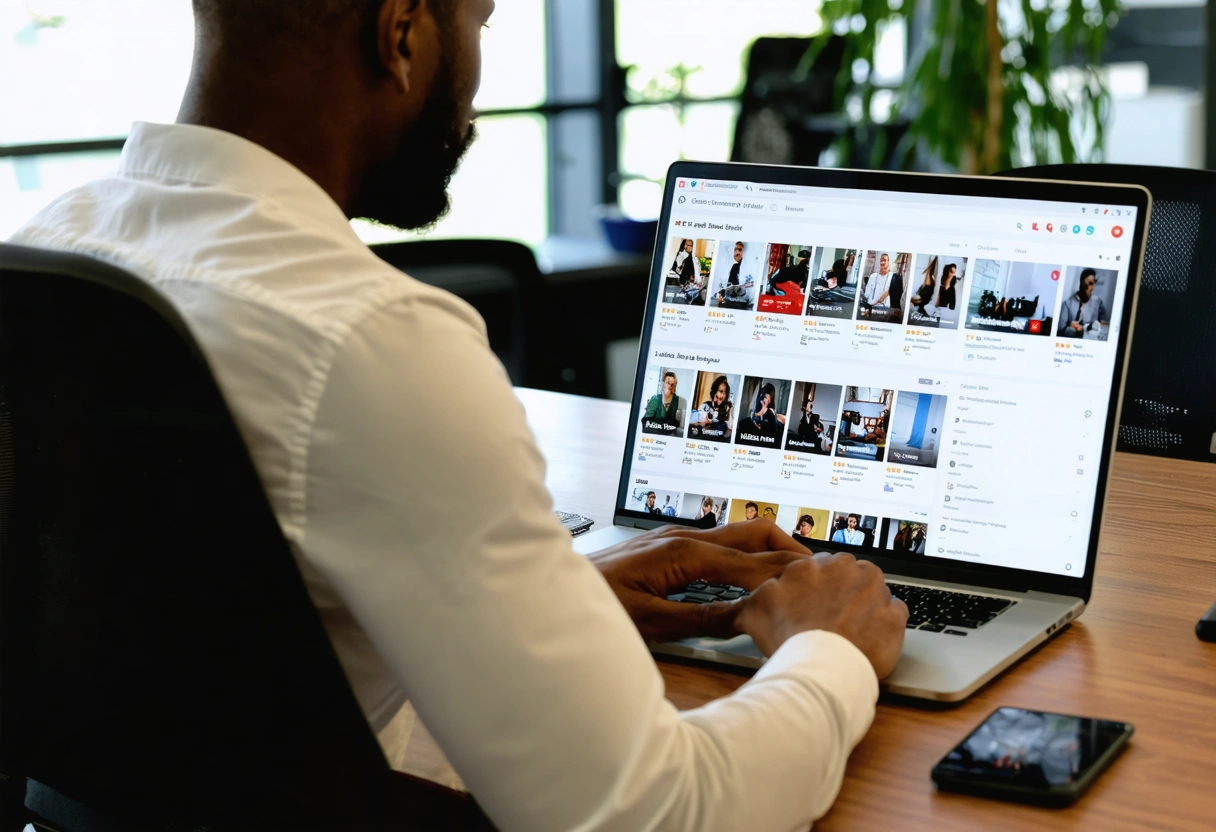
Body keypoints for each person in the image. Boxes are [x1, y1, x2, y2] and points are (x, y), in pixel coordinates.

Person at [7, 2, 909, 830]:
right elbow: (656, 814)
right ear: (400, 34)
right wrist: (827, 652)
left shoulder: (49, 248)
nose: (477, 78)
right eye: (478, 19)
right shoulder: (372, 337)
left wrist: (543, 607)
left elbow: (211, 634)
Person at [1058, 268, 1110, 338]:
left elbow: (1105, 324)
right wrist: (1073, 330)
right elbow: (1060, 329)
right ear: (1081, 283)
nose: (1092, 288)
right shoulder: (1067, 304)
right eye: (1090, 283)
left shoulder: (1098, 302)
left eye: (1094, 283)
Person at [691, 375, 734, 439]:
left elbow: (730, 429)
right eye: (717, 397)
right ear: (713, 393)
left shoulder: (728, 409)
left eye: (721, 399)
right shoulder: (705, 406)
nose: (718, 402)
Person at [717, 241, 755, 306]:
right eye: (735, 250)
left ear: (743, 252)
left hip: (741, 301)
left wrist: (743, 286)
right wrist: (720, 295)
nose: (737, 252)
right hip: (726, 300)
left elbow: (752, 283)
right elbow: (720, 283)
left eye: (740, 250)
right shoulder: (726, 265)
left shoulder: (748, 267)